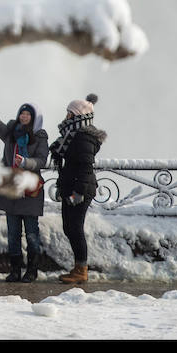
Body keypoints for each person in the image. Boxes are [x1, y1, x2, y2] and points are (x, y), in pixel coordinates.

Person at [0, 93, 49, 283]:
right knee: (13, 234)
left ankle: (32, 271)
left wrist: (26, 162)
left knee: (32, 234)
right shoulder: (11, 133)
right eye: (22, 114)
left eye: (28, 115)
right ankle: (15, 270)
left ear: (34, 118)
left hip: (29, 191)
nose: (24, 117)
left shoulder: (40, 137)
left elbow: (42, 160)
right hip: (11, 191)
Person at [48, 93, 107, 284]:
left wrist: (78, 193)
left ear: (78, 116)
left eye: (69, 114)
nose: (66, 116)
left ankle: (81, 270)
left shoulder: (82, 138)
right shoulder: (71, 135)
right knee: (69, 227)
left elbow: (85, 167)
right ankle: (78, 267)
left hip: (79, 190)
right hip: (71, 186)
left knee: (75, 228)